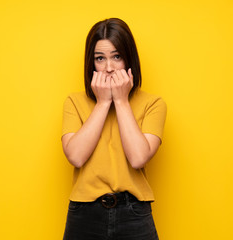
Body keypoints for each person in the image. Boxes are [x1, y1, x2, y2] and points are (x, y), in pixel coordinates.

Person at [61, 18, 167, 240]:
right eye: (100, 58)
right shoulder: (74, 102)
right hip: (84, 212)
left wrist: (121, 101)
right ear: (91, 64)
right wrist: (102, 103)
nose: (109, 68)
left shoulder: (153, 104)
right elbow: (76, 157)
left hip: (134, 213)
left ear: (129, 59)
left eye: (116, 57)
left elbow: (138, 158)